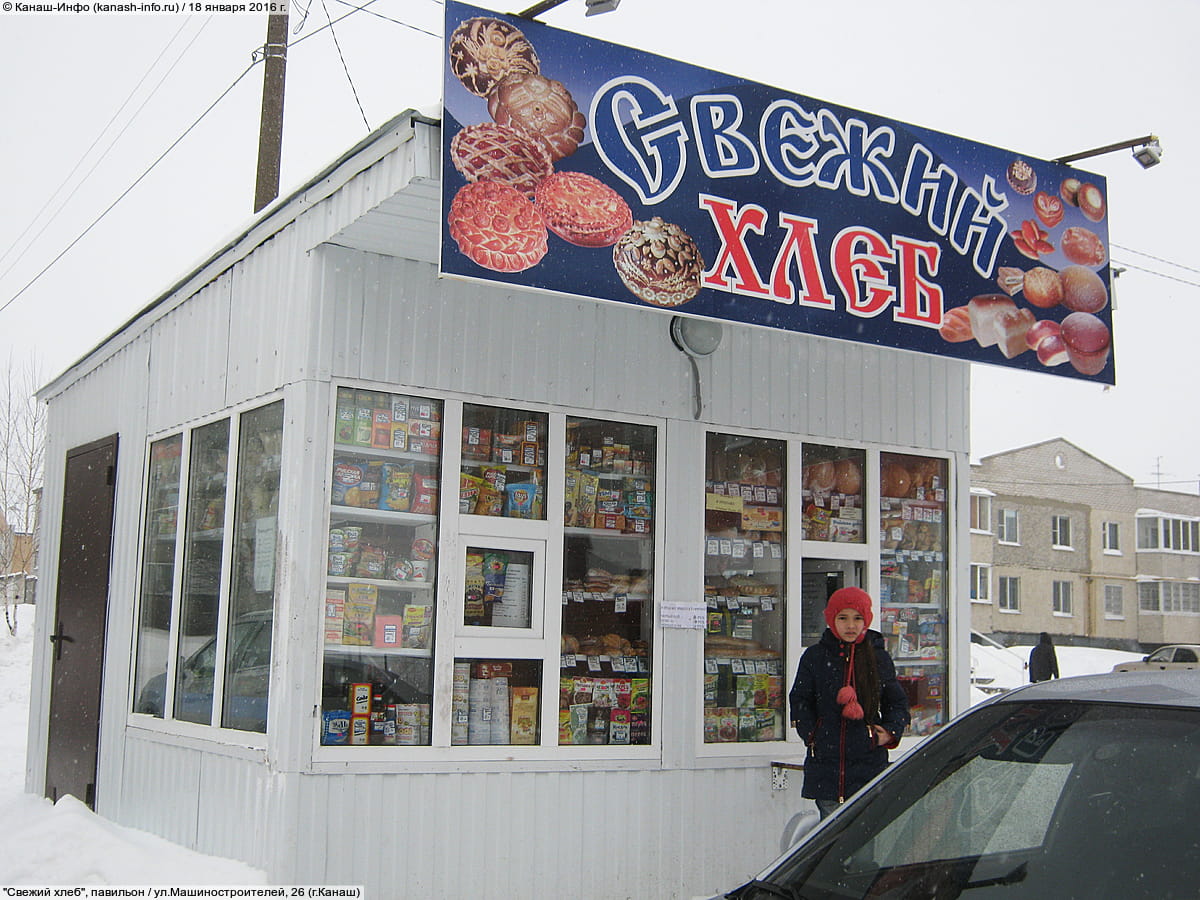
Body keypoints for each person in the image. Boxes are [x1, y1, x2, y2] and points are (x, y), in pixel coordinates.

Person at [789, 587, 911, 819]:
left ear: (867, 620)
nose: (851, 625)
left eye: (857, 618)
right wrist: (814, 735)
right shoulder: (815, 657)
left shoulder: (878, 658)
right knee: (832, 833)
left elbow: (896, 703)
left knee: (865, 834)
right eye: (843, 618)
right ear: (831, 619)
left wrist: (889, 733)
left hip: (869, 766)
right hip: (826, 767)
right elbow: (800, 700)